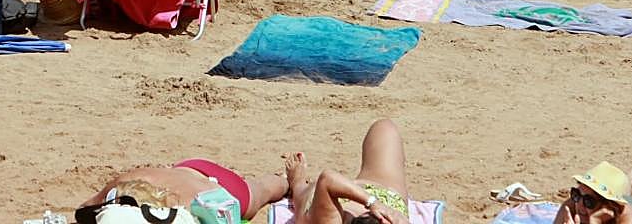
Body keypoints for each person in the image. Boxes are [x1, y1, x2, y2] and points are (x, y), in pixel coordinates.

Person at [78, 157, 289, 222]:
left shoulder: (187, 216)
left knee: (261, 190)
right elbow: (84, 210)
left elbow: (83, 209)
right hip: (190, 170)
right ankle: (287, 180)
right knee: (264, 188)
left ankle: (288, 181)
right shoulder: (130, 180)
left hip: (219, 193)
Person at [285, 119, 412, 224]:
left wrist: (373, 203)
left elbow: (327, 180)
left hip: (331, 208)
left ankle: (297, 181)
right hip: (384, 196)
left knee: (308, 197)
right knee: (385, 128)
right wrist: (376, 204)